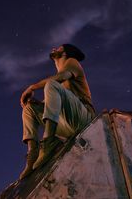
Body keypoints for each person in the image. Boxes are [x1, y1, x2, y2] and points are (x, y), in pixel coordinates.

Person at [19, 44, 96, 179]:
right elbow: (55, 105)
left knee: (51, 84)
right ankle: (32, 154)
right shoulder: (58, 81)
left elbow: (59, 78)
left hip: (85, 121)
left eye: (59, 48)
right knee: (29, 108)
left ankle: (48, 141)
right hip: (68, 123)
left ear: (65, 53)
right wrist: (39, 105)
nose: (54, 49)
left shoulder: (72, 62)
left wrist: (32, 87)